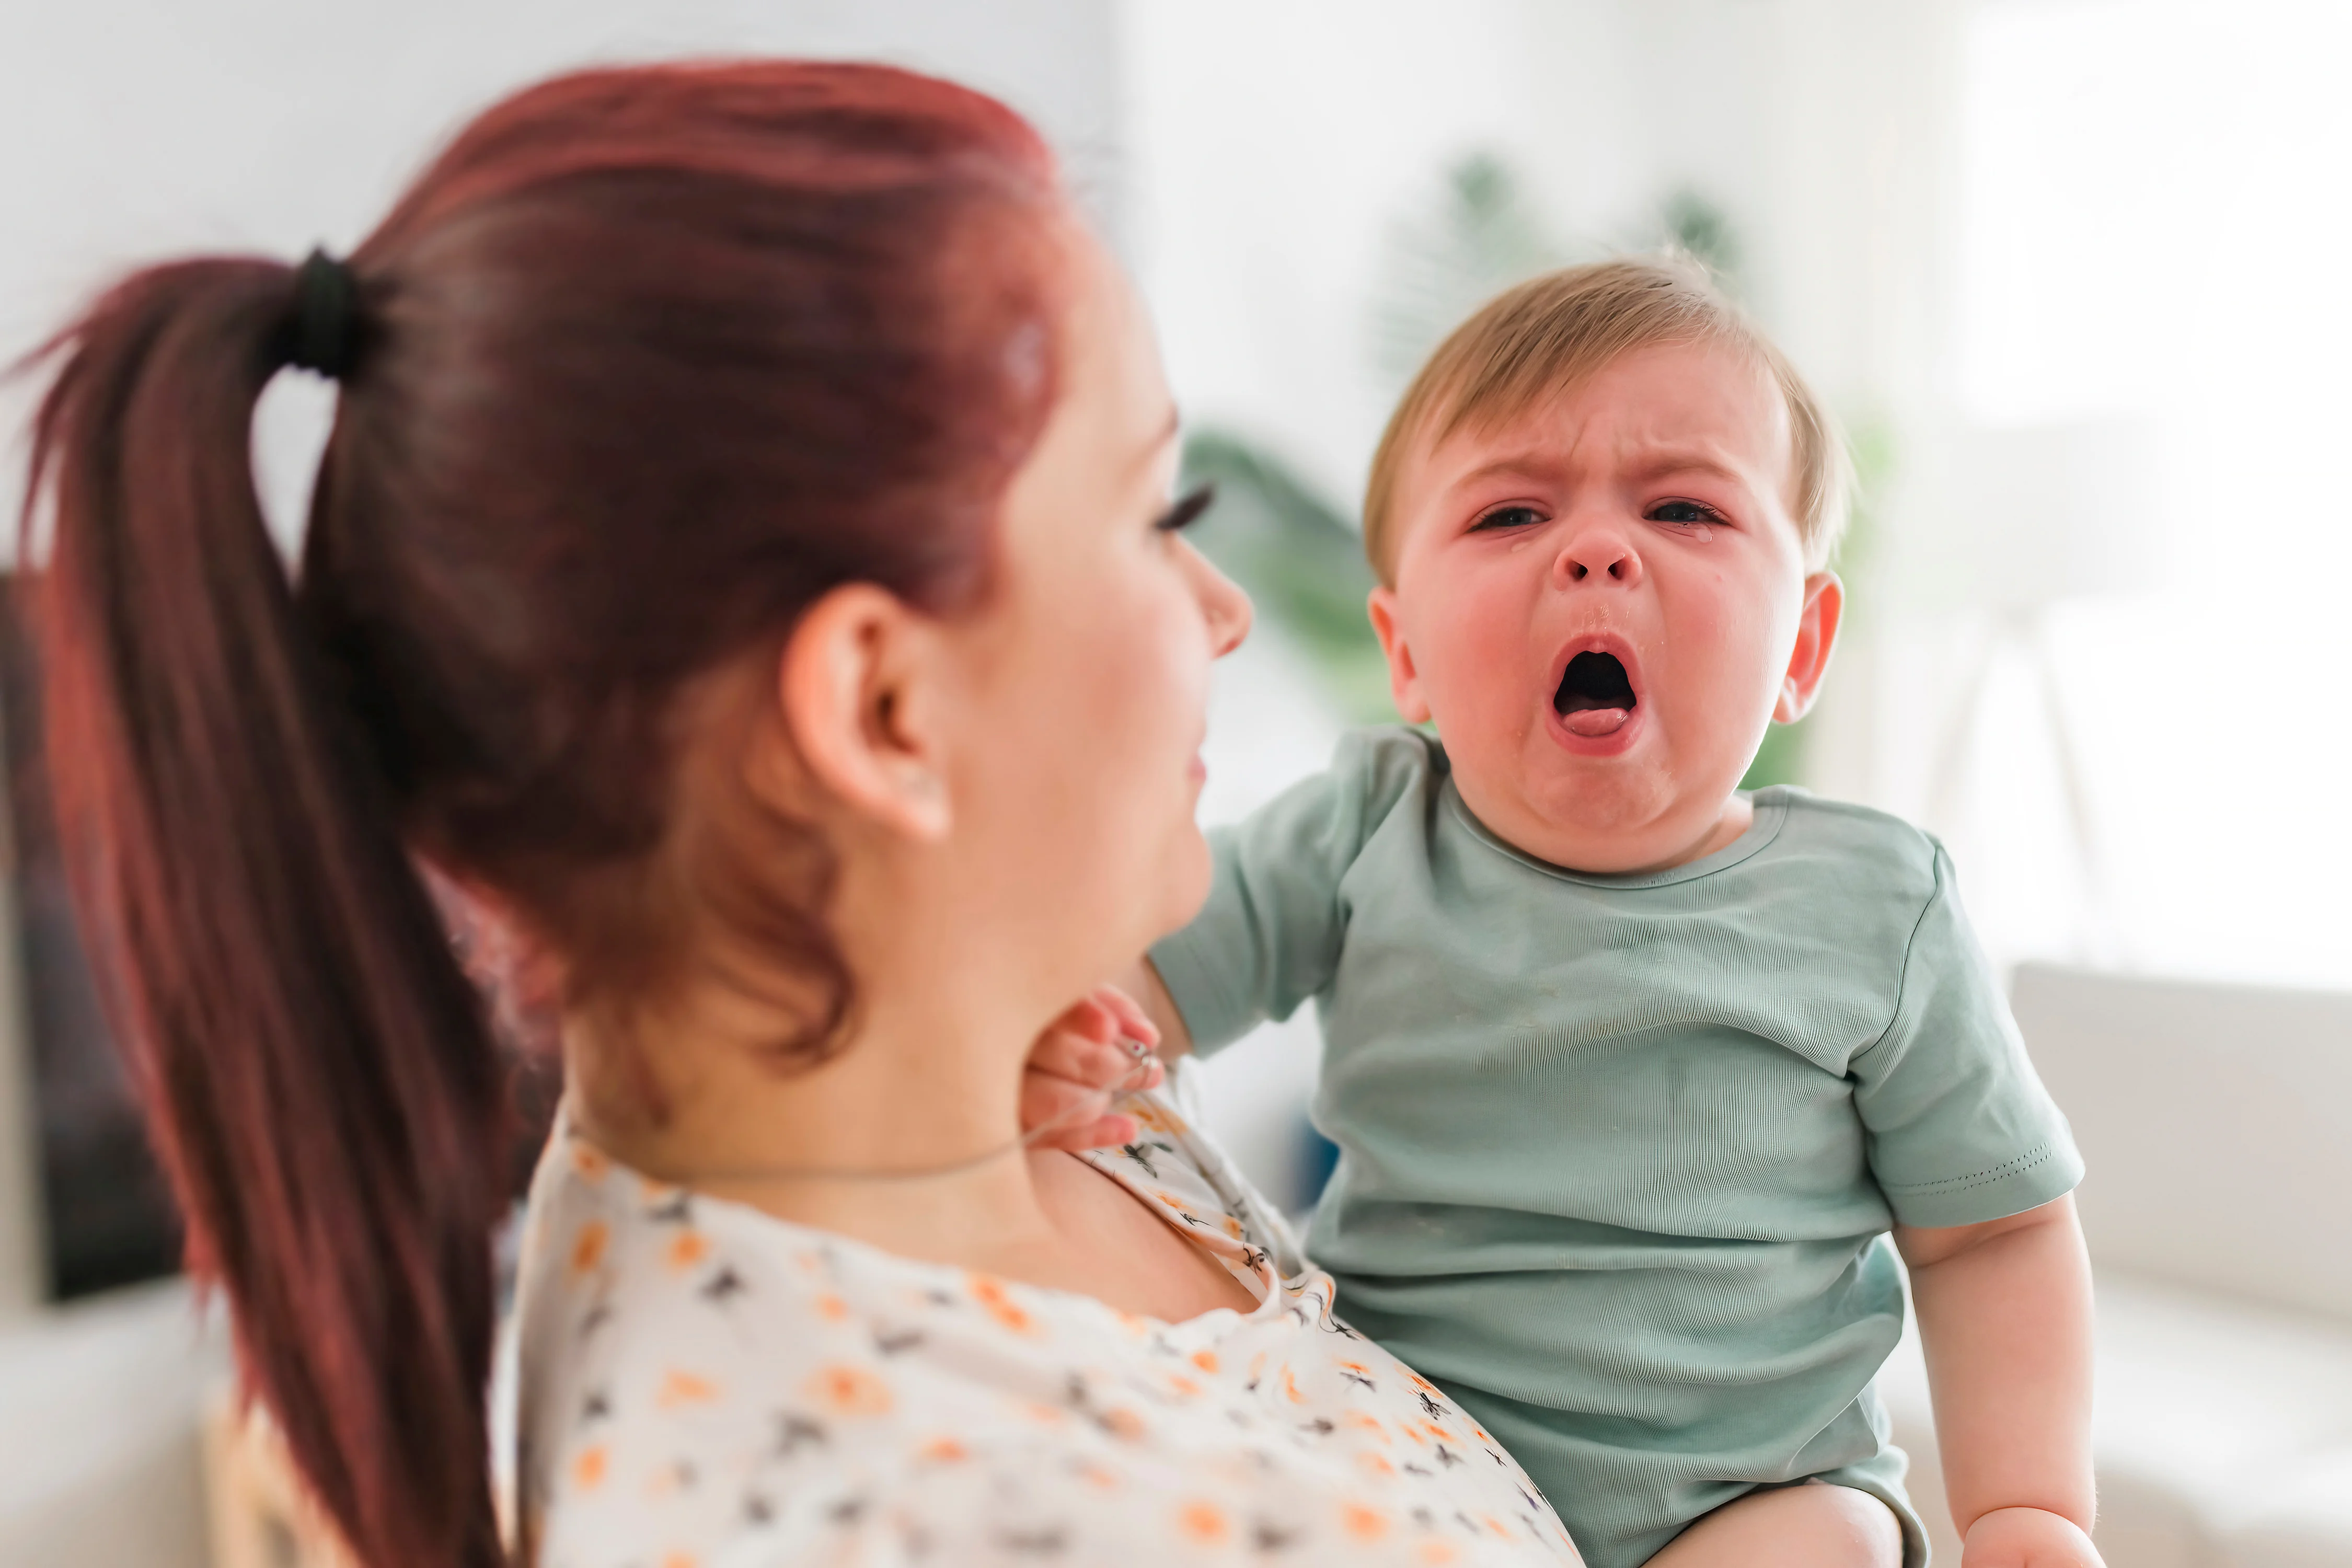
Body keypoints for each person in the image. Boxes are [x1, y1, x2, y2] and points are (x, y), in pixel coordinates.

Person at [19, 61, 1582, 1568]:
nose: (1225, 611)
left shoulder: (958, 1092)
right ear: (880, 710)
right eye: (1154, 514)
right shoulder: (881, 1511)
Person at [1091, 260, 2104, 1568]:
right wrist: (1078, 1034)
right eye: (1512, 515)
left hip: (1758, 1489)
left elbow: (1994, 1235)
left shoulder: (1878, 907)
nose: (1596, 550)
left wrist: (2030, 1509)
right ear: (1403, 651)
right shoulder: (1361, 831)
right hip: (1408, 1451)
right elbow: (1139, 973)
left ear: (1801, 646)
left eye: (1684, 508)